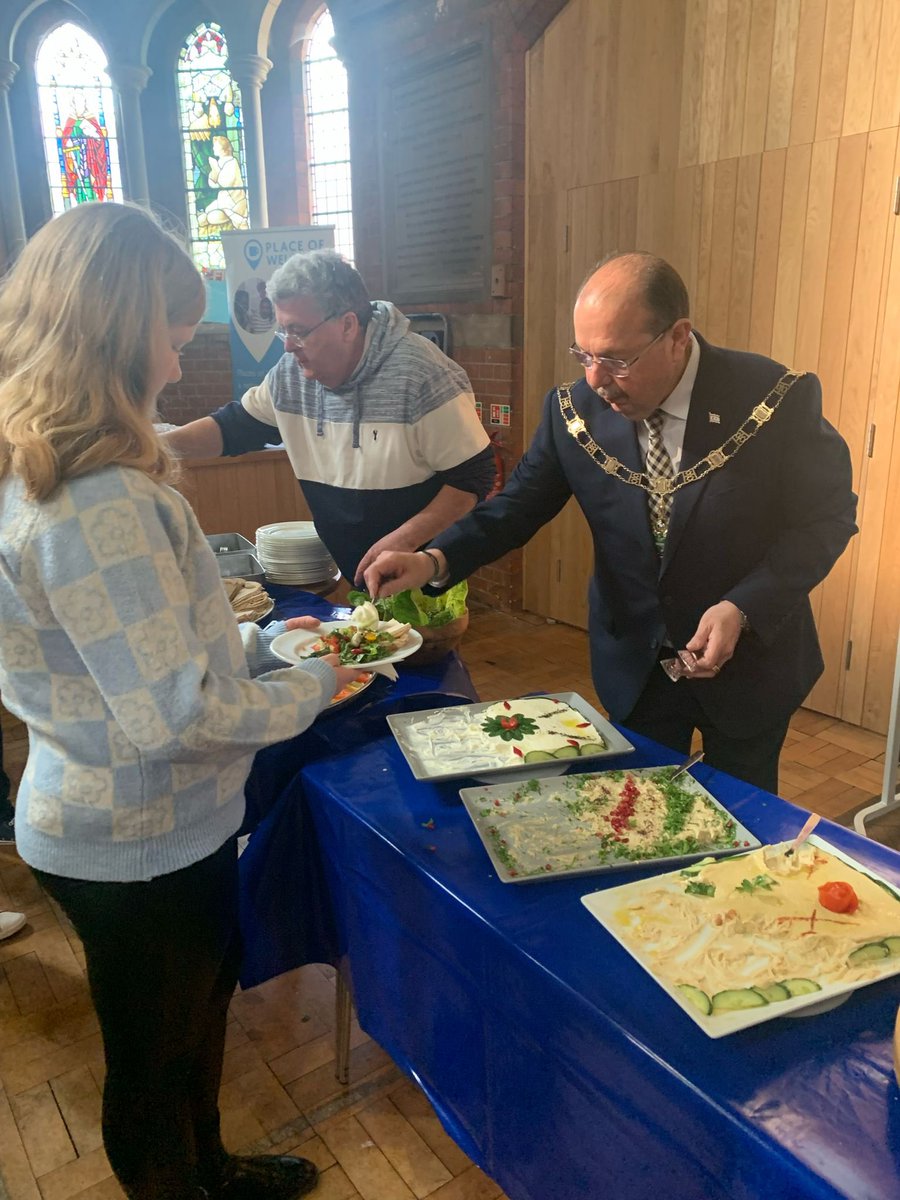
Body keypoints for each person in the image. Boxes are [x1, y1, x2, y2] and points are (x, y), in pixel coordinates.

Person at [0, 201, 360, 1200]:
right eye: (169, 334)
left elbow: (137, 656)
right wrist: (317, 683)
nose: (176, 360)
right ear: (116, 334)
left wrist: (247, 645)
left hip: (159, 827)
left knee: (198, 1025)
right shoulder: (97, 499)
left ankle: (214, 1170)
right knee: (154, 1069)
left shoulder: (64, 467)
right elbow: (176, 717)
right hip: (131, 840)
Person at [364, 252, 858, 793]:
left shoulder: (773, 397)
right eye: (583, 355)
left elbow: (825, 520)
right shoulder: (572, 410)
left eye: (618, 360)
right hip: (637, 664)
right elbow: (517, 507)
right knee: (640, 814)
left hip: (752, 664)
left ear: (677, 337)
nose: (596, 380)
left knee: (746, 823)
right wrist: (434, 558)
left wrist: (744, 605)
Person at [162, 250, 495, 585]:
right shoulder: (290, 374)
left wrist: (405, 541)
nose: (288, 347)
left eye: (298, 331)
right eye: (283, 332)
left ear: (347, 324)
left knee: (430, 637)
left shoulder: (421, 375)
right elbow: (233, 428)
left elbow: (474, 476)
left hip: (423, 574)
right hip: (357, 575)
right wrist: (151, 446)